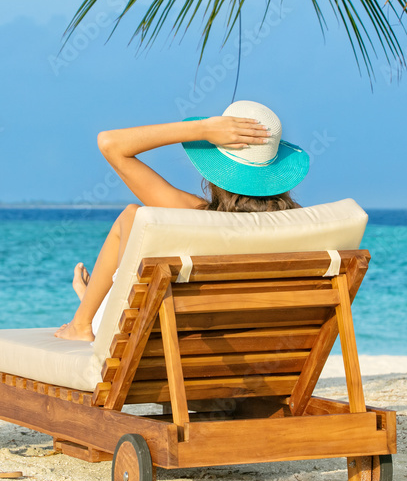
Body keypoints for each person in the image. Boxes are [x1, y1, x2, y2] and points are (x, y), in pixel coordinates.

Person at [55, 100, 310, 341]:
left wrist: (202, 128)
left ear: (215, 171)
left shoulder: (196, 216)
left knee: (132, 216)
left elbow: (110, 143)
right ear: (275, 173)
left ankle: (82, 322)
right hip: (251, 350)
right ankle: (96, 301)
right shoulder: (300, 226)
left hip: (165, 347)